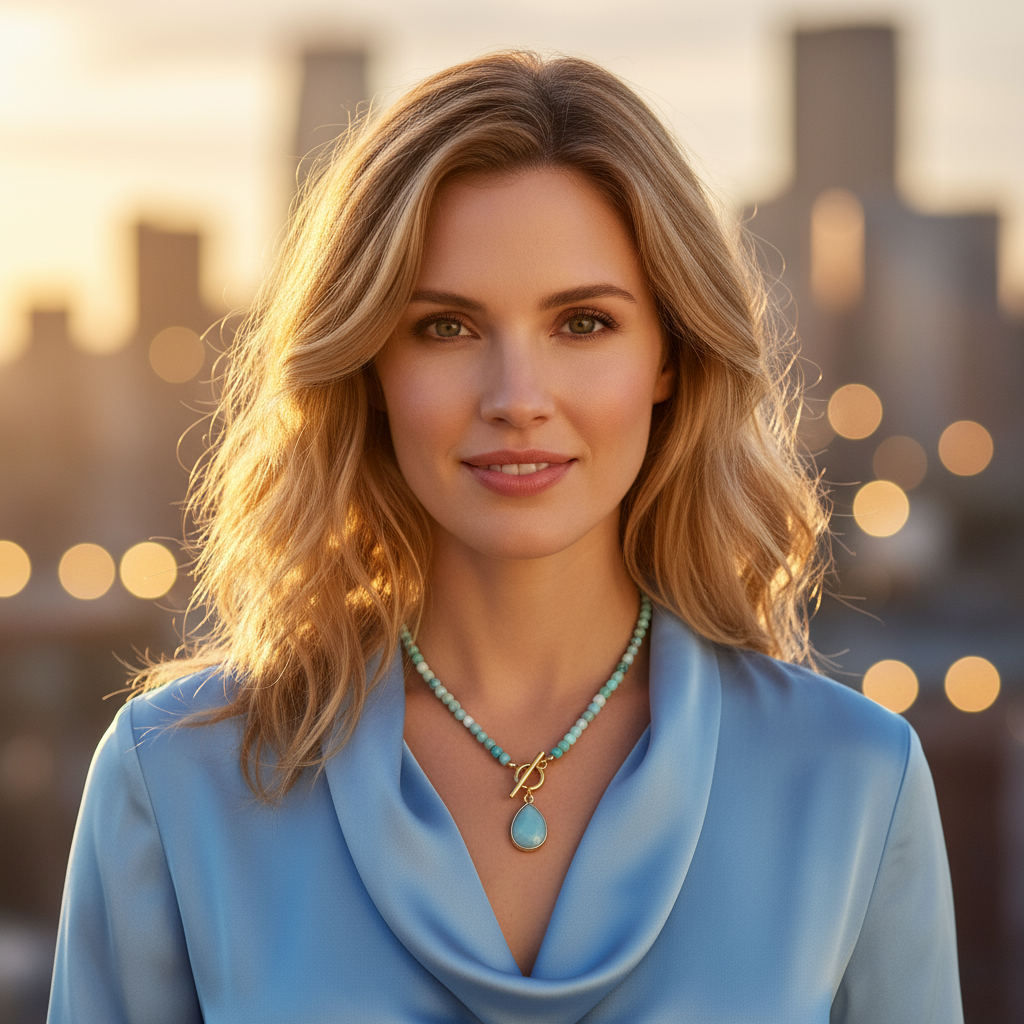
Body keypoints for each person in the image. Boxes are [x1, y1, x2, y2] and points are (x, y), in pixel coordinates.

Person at [48, 51, 962, 1023]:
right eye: (445, 327)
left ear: (670, 355)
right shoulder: (175, 779)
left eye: (582, 322)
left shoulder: (854, 777)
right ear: (368, 364)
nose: (516, 399)